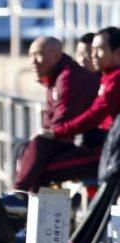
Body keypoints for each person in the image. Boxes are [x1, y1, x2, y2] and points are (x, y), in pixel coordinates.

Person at [12, 36, 101, 194]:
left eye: (38, 55)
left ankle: (21, 198)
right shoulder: (56, 76)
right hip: (82, 145)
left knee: (40, 167)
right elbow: (52, 124)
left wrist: (47, 134)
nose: (33, 61)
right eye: (80, 54)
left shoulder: (70, 78)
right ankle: (23, 204)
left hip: (100, 153)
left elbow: (63, 124)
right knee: (26, 151)